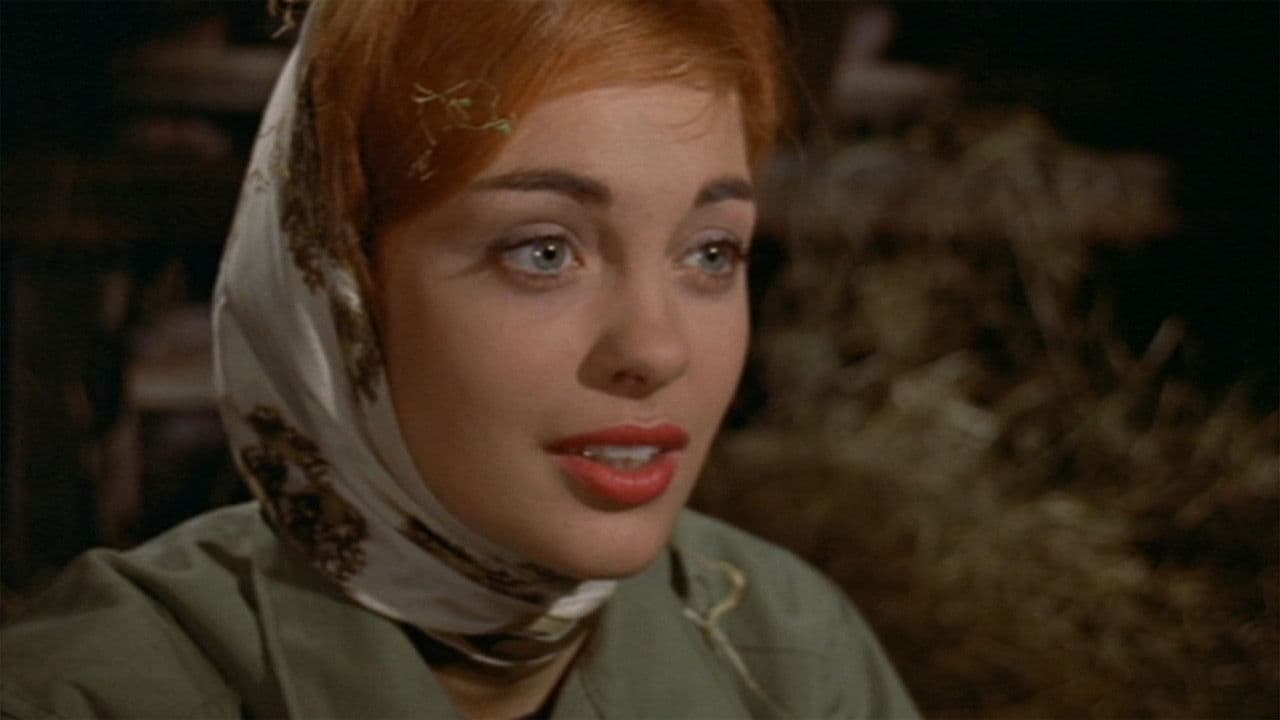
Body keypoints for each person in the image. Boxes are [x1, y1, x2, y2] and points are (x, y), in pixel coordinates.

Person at [1, 1, 919, 717]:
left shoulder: (788, 651)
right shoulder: (88, 696)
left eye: (711, 253)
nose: (656, 349)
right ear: (338, 284)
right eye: (543, 252)